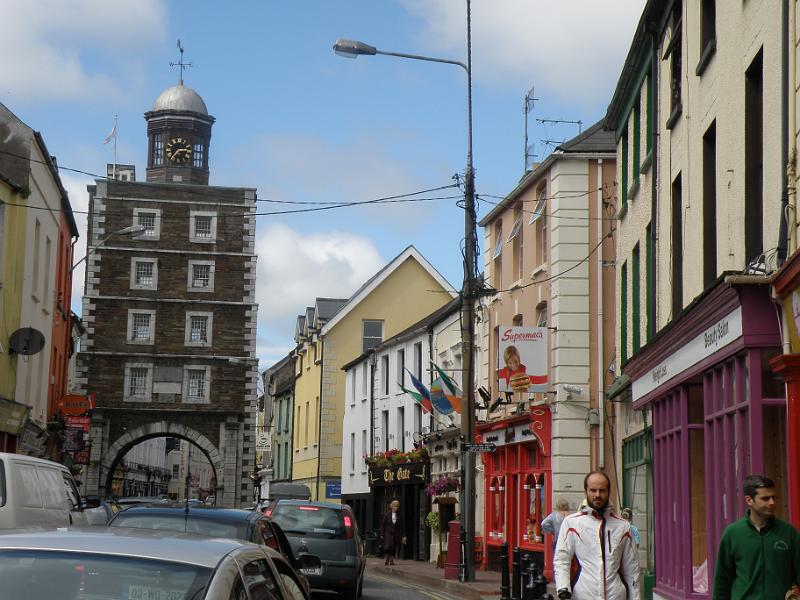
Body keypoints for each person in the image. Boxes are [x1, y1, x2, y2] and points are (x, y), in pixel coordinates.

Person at [712, 474, 800, 600]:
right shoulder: (732, 533)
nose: (772, 502)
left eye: (774, 497)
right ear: (749, 500)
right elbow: (722, 581)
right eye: (765, 498)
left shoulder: (788, 533)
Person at [554, 471, 640, 600]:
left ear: (608, 492)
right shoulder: (571, 523)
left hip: (615, 595)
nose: (597, 495)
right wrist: (563, 589)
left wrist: (635, 597)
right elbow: (562, 559)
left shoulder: (623, 526)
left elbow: (632, 569)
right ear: (585, 492)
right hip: (583, 594)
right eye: (593, 490)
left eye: (602, 490)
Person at [381, 499, 406, 566]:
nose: (396, 508)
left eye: (397, 506)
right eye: (395, 506)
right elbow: (383, 524)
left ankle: (391, 560)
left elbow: (402, 526)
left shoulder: (400, 515)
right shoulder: (387, 514)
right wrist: (382, 534)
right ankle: (387, 558)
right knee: (388, 546)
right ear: (392, 506)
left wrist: (404, 536)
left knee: (394, 547)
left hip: (396, 533)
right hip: (388, 533)